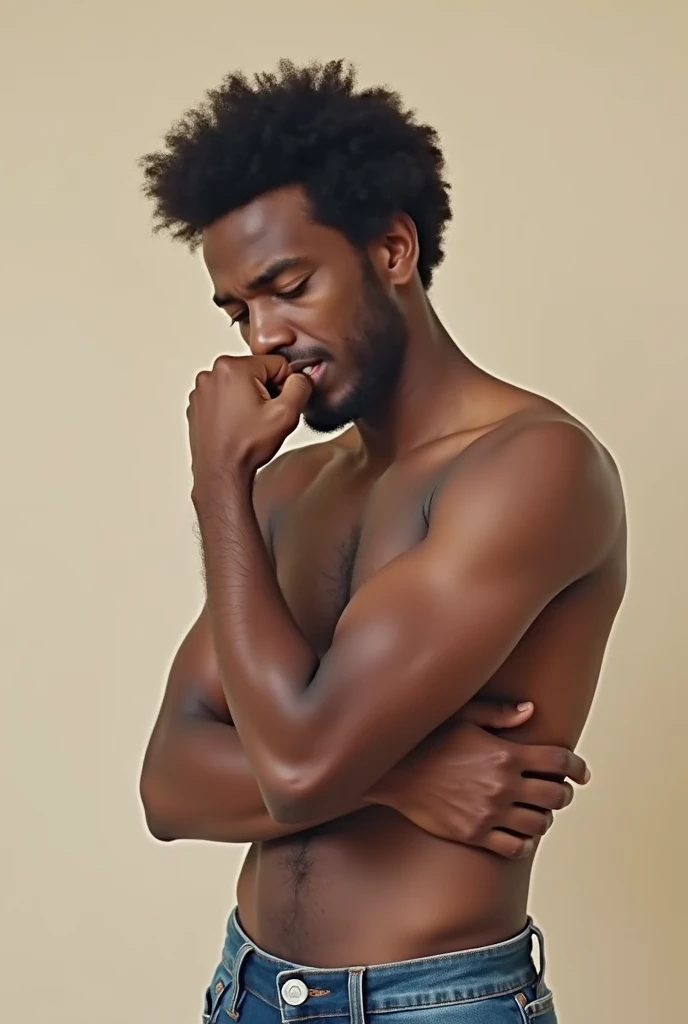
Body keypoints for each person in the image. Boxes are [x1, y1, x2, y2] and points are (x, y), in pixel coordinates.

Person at [138, 59, 626, 1024]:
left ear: (392, 250)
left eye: (289, 286)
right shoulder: (287, 488)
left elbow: (302, 768)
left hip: (432, 1004)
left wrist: (213, 487)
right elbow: (168, 784)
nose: (264, 337)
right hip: (246, 992)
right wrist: (407, 776)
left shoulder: (532, 469)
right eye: (240, 311)